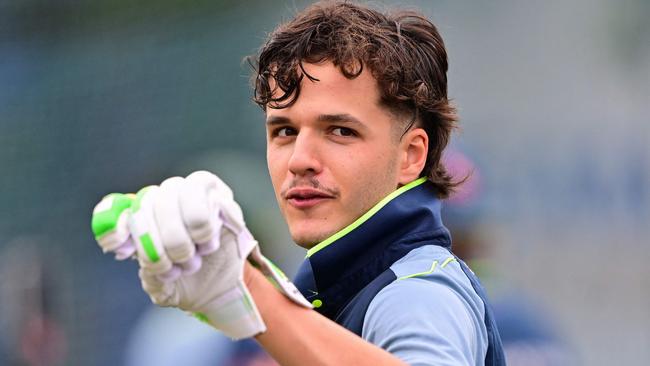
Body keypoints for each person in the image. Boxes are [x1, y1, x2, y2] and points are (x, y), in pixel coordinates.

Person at [91, 1, 505, 365]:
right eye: (284, 132)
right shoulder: (338, 286)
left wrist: (246, 288)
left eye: (340, 131)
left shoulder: (414, 292)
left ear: (411, 155)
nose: (300, 161)